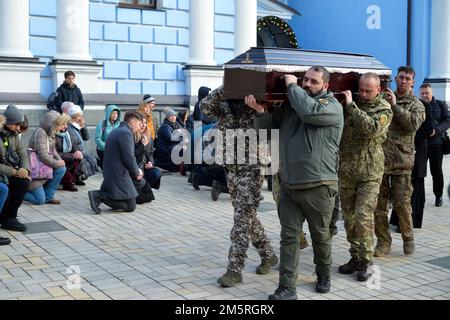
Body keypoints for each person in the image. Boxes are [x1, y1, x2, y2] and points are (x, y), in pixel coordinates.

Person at [247, 66, 344, 299]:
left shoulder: (332, 107)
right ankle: (287, 287)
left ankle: (323, 274)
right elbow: (270, 128)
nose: (307, 84)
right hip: (290, 185)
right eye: (305, 80)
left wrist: (291, 86)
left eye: (314, 82)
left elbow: (309, 112)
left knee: (320, 235)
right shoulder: (293, 104)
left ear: (326, 86)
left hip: (319, 186)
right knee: (288, 238)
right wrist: (259, 112)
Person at [201, 87, 278, 288]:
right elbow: (205, 107)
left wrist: (256, 105)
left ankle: (234, 269)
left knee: (241, 216)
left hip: (252, 166)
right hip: (231, 166)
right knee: (246, 214)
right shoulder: (223, 105)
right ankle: (268, 254)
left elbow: (269, 128)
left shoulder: (257, 103)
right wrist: (225, 87)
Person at [337, 73, 393, 282]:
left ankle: (368, 261)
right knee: (349, 219)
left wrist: (351, 106)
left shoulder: (384, 109)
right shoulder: (349, 102)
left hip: (370, 173)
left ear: (378, 89)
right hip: (347, 172)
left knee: (363, 216)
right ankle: (356, 258)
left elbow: (371, 129)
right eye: (361, 89)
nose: (364, 93)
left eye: (368, 90)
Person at [373, 66, 426, 257]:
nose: (403, 81)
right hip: (380, 162)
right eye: (401, 77)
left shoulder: (416, 104)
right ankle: (383, 242)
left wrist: (395, 106)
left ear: (413, 82)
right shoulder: (383, 98)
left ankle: (408, 237)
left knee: (402, 205)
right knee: (378, 207)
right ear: (396, 78)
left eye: (408, 78)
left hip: (402, 162)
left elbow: (412, 125)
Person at [88, 111, 144, 214]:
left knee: (137, 190)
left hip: (113, 171)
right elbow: (129, 158)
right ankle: (99, 196)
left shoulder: (119, 130)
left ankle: (104, 195)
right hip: (118, 173)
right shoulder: (126, 133)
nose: (140, 127)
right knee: (131, 206)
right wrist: (137, 172)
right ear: (132, 122)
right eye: (139, 124)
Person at [25, 112, 69, 205]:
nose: (64, 127)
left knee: (62, 168)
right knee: (39, 200)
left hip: (43, 169)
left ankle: (48, 197)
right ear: (54, 124)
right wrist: (57, 163)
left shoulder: (50, 132)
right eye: (62, 124)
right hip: (35, 174)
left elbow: (53, 150)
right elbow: (43, 156)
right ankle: (15, 193)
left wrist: (59, 160)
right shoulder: (41, 133)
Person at [0, 105, 31, 232]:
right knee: (5, 187)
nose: (19, 128)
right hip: (3, 172)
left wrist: (25, 169)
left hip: (9, 169)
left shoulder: (13, 134)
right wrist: (12, 171)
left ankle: (10, 217)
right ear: (8, 122)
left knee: (23, 182)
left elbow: (22, 152)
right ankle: (3, 217)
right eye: (17, 124)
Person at [419, 83, 450, 207]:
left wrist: (436, 131)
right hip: (421, 144)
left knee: (436, 172)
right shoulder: (417, 105)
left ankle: (438, 195)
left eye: (427, 93)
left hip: (436, 144)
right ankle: (420, 198)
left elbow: (448, 121)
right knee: (419, 172)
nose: (425, 95)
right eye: (423, 93)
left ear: (432, 93)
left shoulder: (441, 104)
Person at [59, 105, 89, 190]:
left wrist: (83, 126)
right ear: (74, 117)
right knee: (79, 159)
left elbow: (86, 137)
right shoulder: (69, 127)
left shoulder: (78, 126)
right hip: (71, 151)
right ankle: (70, 180)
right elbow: (73, 143)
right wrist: (78, 152)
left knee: (90, 160)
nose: (81, 118)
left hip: (78, 151)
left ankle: (76, 178)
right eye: (80, 116)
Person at [135, 117, 161, 190]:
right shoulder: (132, 136)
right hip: (135, 166)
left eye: (145, 123)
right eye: (141, 123)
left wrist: (150, 163)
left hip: (145, 165)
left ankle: (146, 186)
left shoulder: (149, 137)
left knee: (156, 173)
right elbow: (133, 154)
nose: (143, 125)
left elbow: (150, 153)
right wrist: (142, 145)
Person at [154, 108, 184, 172]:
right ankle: (164, 164)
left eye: (174, 116)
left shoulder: (175, 125)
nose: (173, 118)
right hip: (165, 148)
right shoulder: (165, 126)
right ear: (167, 117)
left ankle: (178, 166)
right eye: (171, 116)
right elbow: (170, 138)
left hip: (170, 146)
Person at [95, 104, 121, 170]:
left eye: (117, 113)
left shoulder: (120, 125)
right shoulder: (102, 124)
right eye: (113, 113)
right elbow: (97, 139)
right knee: (107, 169)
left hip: (116, 151)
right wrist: (107, 147)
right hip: (103, 150)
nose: (115, 115)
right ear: (108, 114)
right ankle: (99, 162)